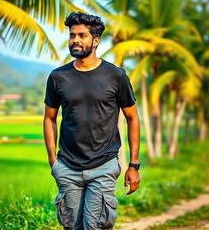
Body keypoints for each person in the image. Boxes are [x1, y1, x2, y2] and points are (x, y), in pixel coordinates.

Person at [43, 12, 140, 230]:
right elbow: (49, 118)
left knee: (94, 226)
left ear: (96, 41)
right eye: (72, 35)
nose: (75, 40)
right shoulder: (58, 77)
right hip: (67, 166)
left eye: (82, 35)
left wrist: (133, 165)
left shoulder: (116, 76)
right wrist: (53, 161)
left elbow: (132, 118)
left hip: (103, 165)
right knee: (72, 227)